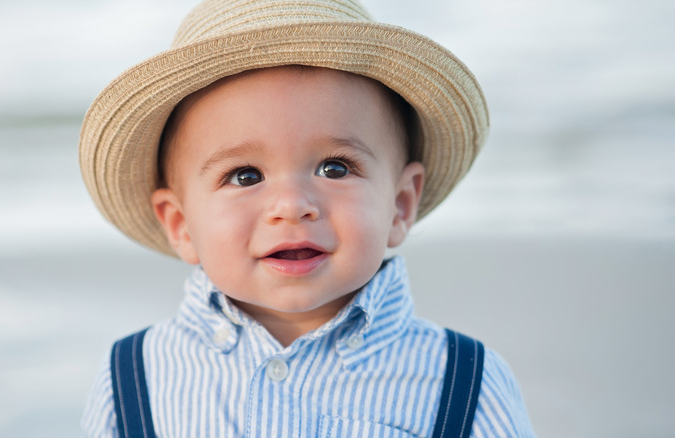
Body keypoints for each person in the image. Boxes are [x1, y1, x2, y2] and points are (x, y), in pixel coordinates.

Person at [79, 0, 535, 436]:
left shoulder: (465, 381)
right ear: (180, 224)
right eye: (245, 175)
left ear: (399, 204)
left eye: (335, 168)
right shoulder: (132, 378)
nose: (292, 204)